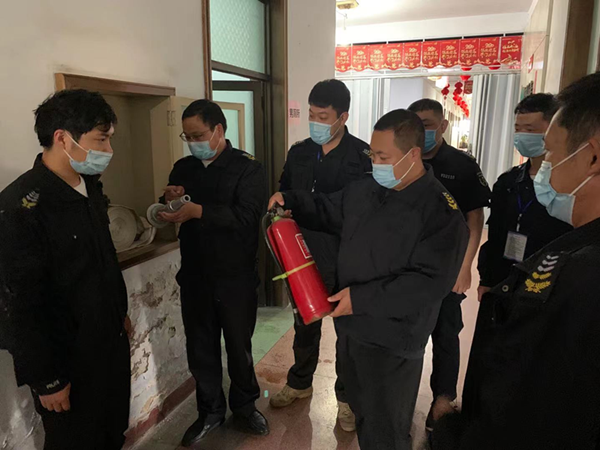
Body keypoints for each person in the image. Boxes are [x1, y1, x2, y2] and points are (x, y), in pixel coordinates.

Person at [269, 109, 469, 450]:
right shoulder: (366, 189)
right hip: (352, 331)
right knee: (363, 414)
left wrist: (360, 299)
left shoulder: (442, 214)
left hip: (393, 342)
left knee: (386, 430)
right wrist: (291, 200)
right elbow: (327, 208)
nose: (375, 163)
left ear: (413, 155)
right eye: (373, 155)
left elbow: (428, 284)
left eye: (383, 157)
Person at [437, 72, 600, 450]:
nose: (547, 164)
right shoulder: (509, 183)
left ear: (591, 157)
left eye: (553, 152)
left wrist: (451, 436)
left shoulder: (575, 281)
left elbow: (526, 411)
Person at [0, 90, 130, 449]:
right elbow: (18, 303)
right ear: (63, 138)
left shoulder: (89, 186)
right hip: (66, 360)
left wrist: (119, 312)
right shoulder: (21, 206)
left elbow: (101, 261)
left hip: (108, 342)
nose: (108, 150)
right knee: (75, 441)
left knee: (112, 432)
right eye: (101, 139)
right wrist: (47, 379)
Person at [159, 99, 269, 447]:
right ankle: (209, 412)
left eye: (198, 135)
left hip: (235, 278)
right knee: (201, 349)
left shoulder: (248, 168)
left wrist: (199, 211)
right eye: (187, 136)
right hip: (195, 276)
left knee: (239, 348)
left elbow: (248, 217)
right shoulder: (183, 168)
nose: (193, 142)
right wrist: (169, 198)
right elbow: (171, 207)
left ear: (219, 130)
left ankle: (245, 407)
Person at [269, 79, 372, 432]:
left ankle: (346, 398)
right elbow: (285, 189)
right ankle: (300, 382)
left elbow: (354, 209)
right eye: (311, 115)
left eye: (323, 116)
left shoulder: (363, 157)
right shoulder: (299, 152)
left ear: (343, 117)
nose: (315, 122)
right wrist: (282, 205)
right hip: (303, 253)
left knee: (347, 334)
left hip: (345, 257)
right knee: (304, 324)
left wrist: (298, 202)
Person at [407, 99, 490, 429]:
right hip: (409, 268)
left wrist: (465, 266)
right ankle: (401, 398)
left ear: (442, 126)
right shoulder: (403, 159)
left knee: (445, 334)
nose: (421, 130)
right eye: (416, 124)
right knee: (408, 335)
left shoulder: (462, 165)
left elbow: (475, 218)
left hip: (448, 267)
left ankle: (442, 400)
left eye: (427, 124)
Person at [477, 94, 573, 301]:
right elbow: (496, 235)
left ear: (554, 130)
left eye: (530, 130)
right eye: (518, 129)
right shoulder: (508, 181)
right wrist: (487, 278)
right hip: (507, 277)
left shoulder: (571, 184)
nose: (522, 136)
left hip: (551, 282)